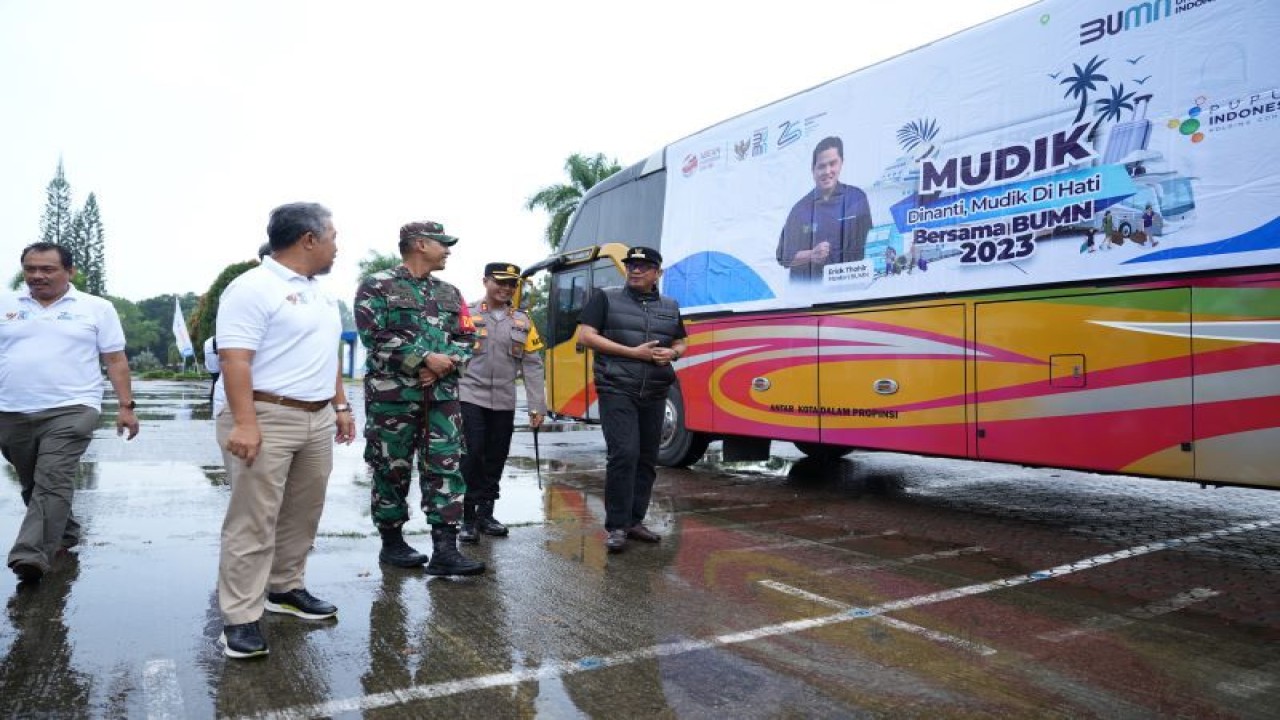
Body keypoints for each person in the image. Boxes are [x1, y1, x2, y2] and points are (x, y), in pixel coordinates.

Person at [213, 202, 356, 659]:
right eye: (333, 235)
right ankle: (239, 618)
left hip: (316, 418)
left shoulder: (321, 293)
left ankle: (284, 589)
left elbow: (326, 353)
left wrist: (340, 405)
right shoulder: (252, 287)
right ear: (308, 239)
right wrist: (246, 423)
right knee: (253, 521)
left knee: (302, 514)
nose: (337, 245)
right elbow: (235, 358)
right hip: (266, 415)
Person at [0, 242, 140, 583]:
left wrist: (125, 407)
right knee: (35, 481)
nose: (37, 276)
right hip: (11, 410)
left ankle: (30, 554)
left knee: (52, 479)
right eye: (30, 269)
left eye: (47, 269)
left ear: (70, 272)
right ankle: (66, 530)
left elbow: (115, 359)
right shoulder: (6, 304)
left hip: (73, 408)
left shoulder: (96, 308)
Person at [354, 221, 484, 576]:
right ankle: (392, 543)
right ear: (420, 244)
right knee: (391, 469)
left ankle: (445, 549)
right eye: (443, 243)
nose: (448, 250)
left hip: (441, 397)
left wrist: (445, 366)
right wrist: (422, 360)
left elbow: (468, 337)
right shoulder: (377, 285)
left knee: (445, 467)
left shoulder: (450, 292)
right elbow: (374, 336)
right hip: (392, 398)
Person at [577, 246, 688, 553]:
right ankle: (616, 526)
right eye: (631, 265)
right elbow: (586, 336)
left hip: (654, 391)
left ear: (657, 273)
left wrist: (674, 352)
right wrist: (632, 353)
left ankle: (634, 521)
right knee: (624, 454)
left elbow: (681, 340)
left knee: (646, 459)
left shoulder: (669, 305)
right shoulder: (606, 298)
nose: (635, 270)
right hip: (617, 387)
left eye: (643, 266)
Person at [457, 262, 547, 543]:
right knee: (472, 455)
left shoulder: (523, 321)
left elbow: (533, 366)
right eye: (500, 282)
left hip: (505, 401)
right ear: (485, 281)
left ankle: (487, 513)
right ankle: (468, 517)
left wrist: (537, 406)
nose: (506, 289)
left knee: (496, 456)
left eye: (512, 284)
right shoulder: (467, 315)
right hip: (470, 395)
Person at [776, 136, 873, 282]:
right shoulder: (800, 210)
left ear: (841, 163)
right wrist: (811, 254)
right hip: (811, 296)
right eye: (821, 166)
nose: (827, 171)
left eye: (832, 164)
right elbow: (783, 257)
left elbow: (870, 244)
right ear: (813, 170)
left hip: (853, 288)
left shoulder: (857, 198)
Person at [204, 336, 220, 404]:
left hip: (210, 363)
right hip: (214, 363)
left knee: (215, 381)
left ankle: (212, 398)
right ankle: (213, 398)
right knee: (216, 381)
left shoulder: (209, 340)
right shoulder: (215, 340)